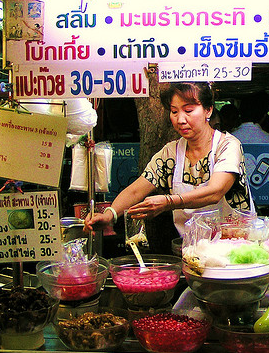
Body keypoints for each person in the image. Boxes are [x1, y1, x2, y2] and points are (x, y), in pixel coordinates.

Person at [84, 82, 254, 237]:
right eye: (174, 111)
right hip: (194, 250)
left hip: (235, 246)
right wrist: (110, 214)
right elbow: (137, 190)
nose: (180, 119)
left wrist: (167, 202)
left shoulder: (227, 146)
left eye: (188, 111)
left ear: (208, 110)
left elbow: (215, 192)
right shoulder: (171, 153)